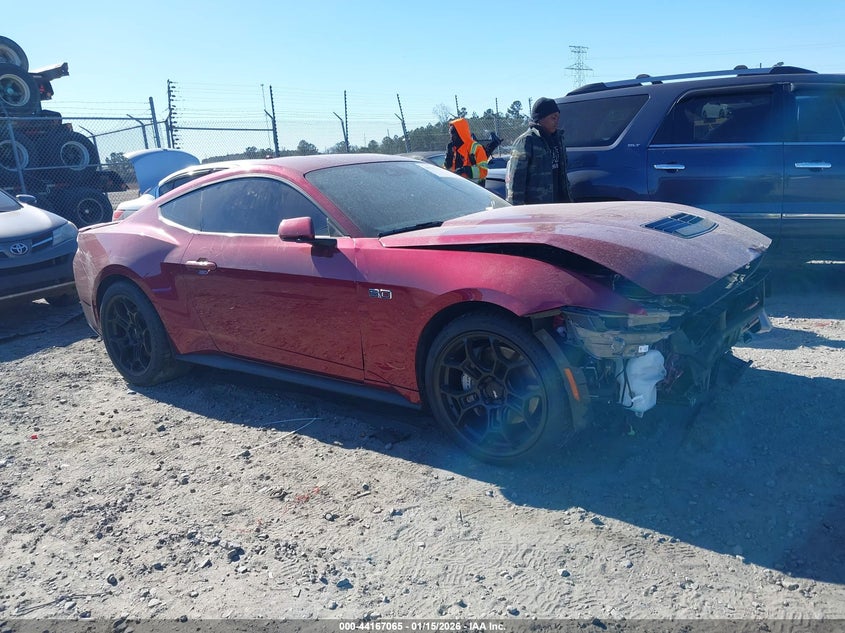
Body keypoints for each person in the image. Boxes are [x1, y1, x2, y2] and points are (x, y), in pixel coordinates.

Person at [506, 97, 572, 205]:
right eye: (553, 118)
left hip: (560, 206)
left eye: (558, 118)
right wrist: (516, 211)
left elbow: (563, 177)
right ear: (541, 118)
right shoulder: (526, 141)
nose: (556, 122)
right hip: (536, 209)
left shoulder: (558, 139)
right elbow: (516, 182)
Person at [443, 117, 488, 185]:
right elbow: (446, 169)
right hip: (458, 187)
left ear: (460, 133)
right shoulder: (452, 149)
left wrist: (465, 170)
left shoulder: (476, 148)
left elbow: (483, 171)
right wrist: (448, 157)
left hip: (475, 189)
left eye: (453, 133)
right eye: (450, 134)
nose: (451, 137)